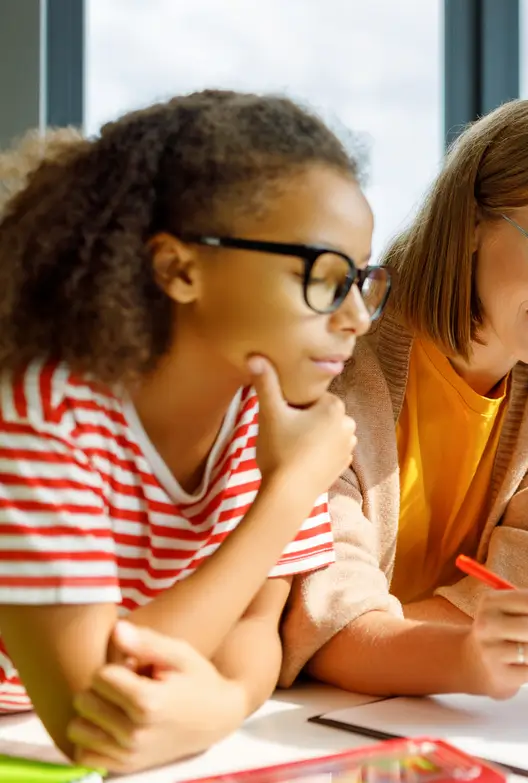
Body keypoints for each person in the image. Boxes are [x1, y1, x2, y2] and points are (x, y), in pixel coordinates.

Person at [0, 90, 383, 772]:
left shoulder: (267, 408)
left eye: (360, 279)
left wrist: (228, 701)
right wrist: (290, 488)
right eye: (324, 276)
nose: (356, 315)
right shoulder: (40, 412)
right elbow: (90, 710)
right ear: (179, 268)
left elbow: (254, 626)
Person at [281, 98, 528, 700]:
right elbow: (328, 624)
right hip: (309, 714)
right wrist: (456, 647)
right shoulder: (340, 355)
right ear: (472, 223)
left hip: (431, 704)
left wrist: (382, 639)